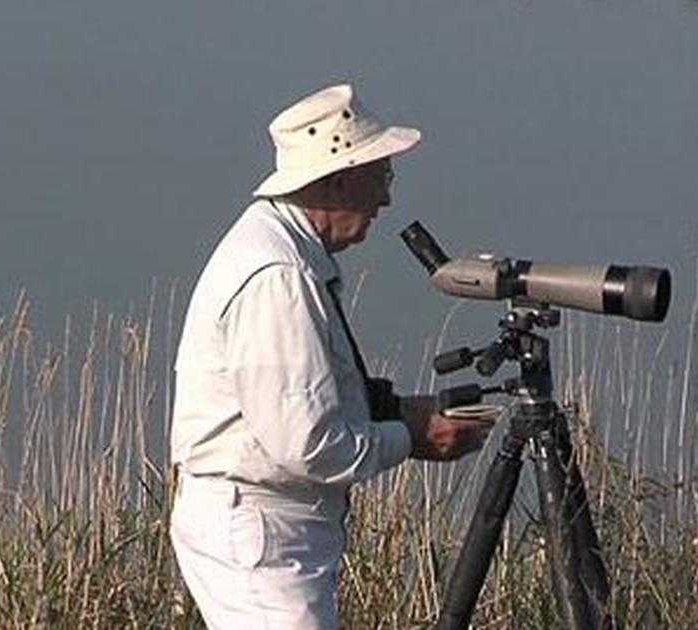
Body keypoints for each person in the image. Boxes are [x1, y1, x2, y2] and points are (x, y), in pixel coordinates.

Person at [168, 83, 491, 629]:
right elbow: (309, 444)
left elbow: (300, 403)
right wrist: (412, 437)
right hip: (262, 537)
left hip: (268, 531)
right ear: (339, 179)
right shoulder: (279, 275)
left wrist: (396, 411)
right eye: (381, 177)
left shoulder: (282, 252)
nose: (386, 200)